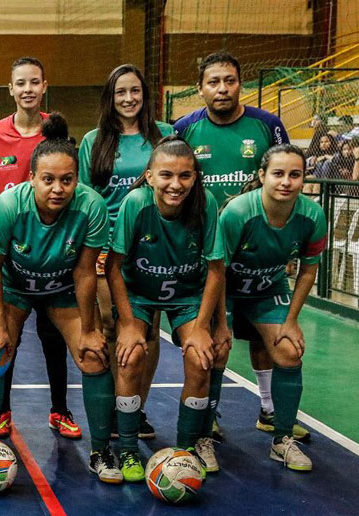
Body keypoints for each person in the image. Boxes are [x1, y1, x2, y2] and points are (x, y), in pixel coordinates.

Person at [174, 51, 309, 447]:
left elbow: (285, 173)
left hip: (257, 251)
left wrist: (281, 244)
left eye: (229, 80)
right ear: (200, 89)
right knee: (216, 340)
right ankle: (209, 416)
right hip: (206, 252)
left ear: (240, 85)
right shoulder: (184, 128)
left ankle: (269, 410)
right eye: (213, 82)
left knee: (263, 339)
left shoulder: (267, 125)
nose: (222, 88)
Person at [0, 113, 120, 483]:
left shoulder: (91, 207)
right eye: (48, 180)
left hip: (60, 289)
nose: (58, 188)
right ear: (31, 179)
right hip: (14, 286)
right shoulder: (9, 207)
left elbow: (86, 271)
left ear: (77, 180)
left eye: (67, 180)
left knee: (93, 355)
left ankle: (102, 450)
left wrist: (89, 328)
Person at [105, 137, 228, 481]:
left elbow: (216, 269)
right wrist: (128, 323)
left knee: (201, 358)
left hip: (188, 295)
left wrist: (205, 325)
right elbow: (113, 267)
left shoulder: (206, 204)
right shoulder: (135, 204)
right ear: (149, 176)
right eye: (166, 175)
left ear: (195, 177)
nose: (176, 184)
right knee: (130, 358)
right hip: (140, 294)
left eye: (185, 176)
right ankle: (128, 449)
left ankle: (188, 448)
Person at [0, 56, 80, 439]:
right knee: (6, 334)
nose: (27, 90)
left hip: (53, 252)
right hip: (11, 254)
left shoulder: (55, 131)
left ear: (44, 86)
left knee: (53, 336)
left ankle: (60, 410)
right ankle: (2, 410)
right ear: (10, 88)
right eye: (20, 83)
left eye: (34, 82)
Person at [79, 64, 173, 440]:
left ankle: (136, 409)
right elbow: (86, 197)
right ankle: (114, 407)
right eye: (120, 92)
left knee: (145, 331)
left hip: (149, 246)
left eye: (135, 91)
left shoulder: (164, 136)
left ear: (145, 95)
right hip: (104, 246)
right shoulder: (93, 139)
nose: (129, 99)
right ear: (110, 97)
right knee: (110, 328)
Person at [219, 144, 326, 472]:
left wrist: (291, 320)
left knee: (289, 350)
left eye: (295, 175)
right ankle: (201, 430)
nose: (286, 181)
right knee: (211, 350)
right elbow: (216, 270)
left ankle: (282, 439)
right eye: (278, 173)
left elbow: (308, 268)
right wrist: (219, 321)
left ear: (303, 179)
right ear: (262, 175)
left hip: (268, 290)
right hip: (226, 289)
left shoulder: (312, 215)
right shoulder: (238, 212)